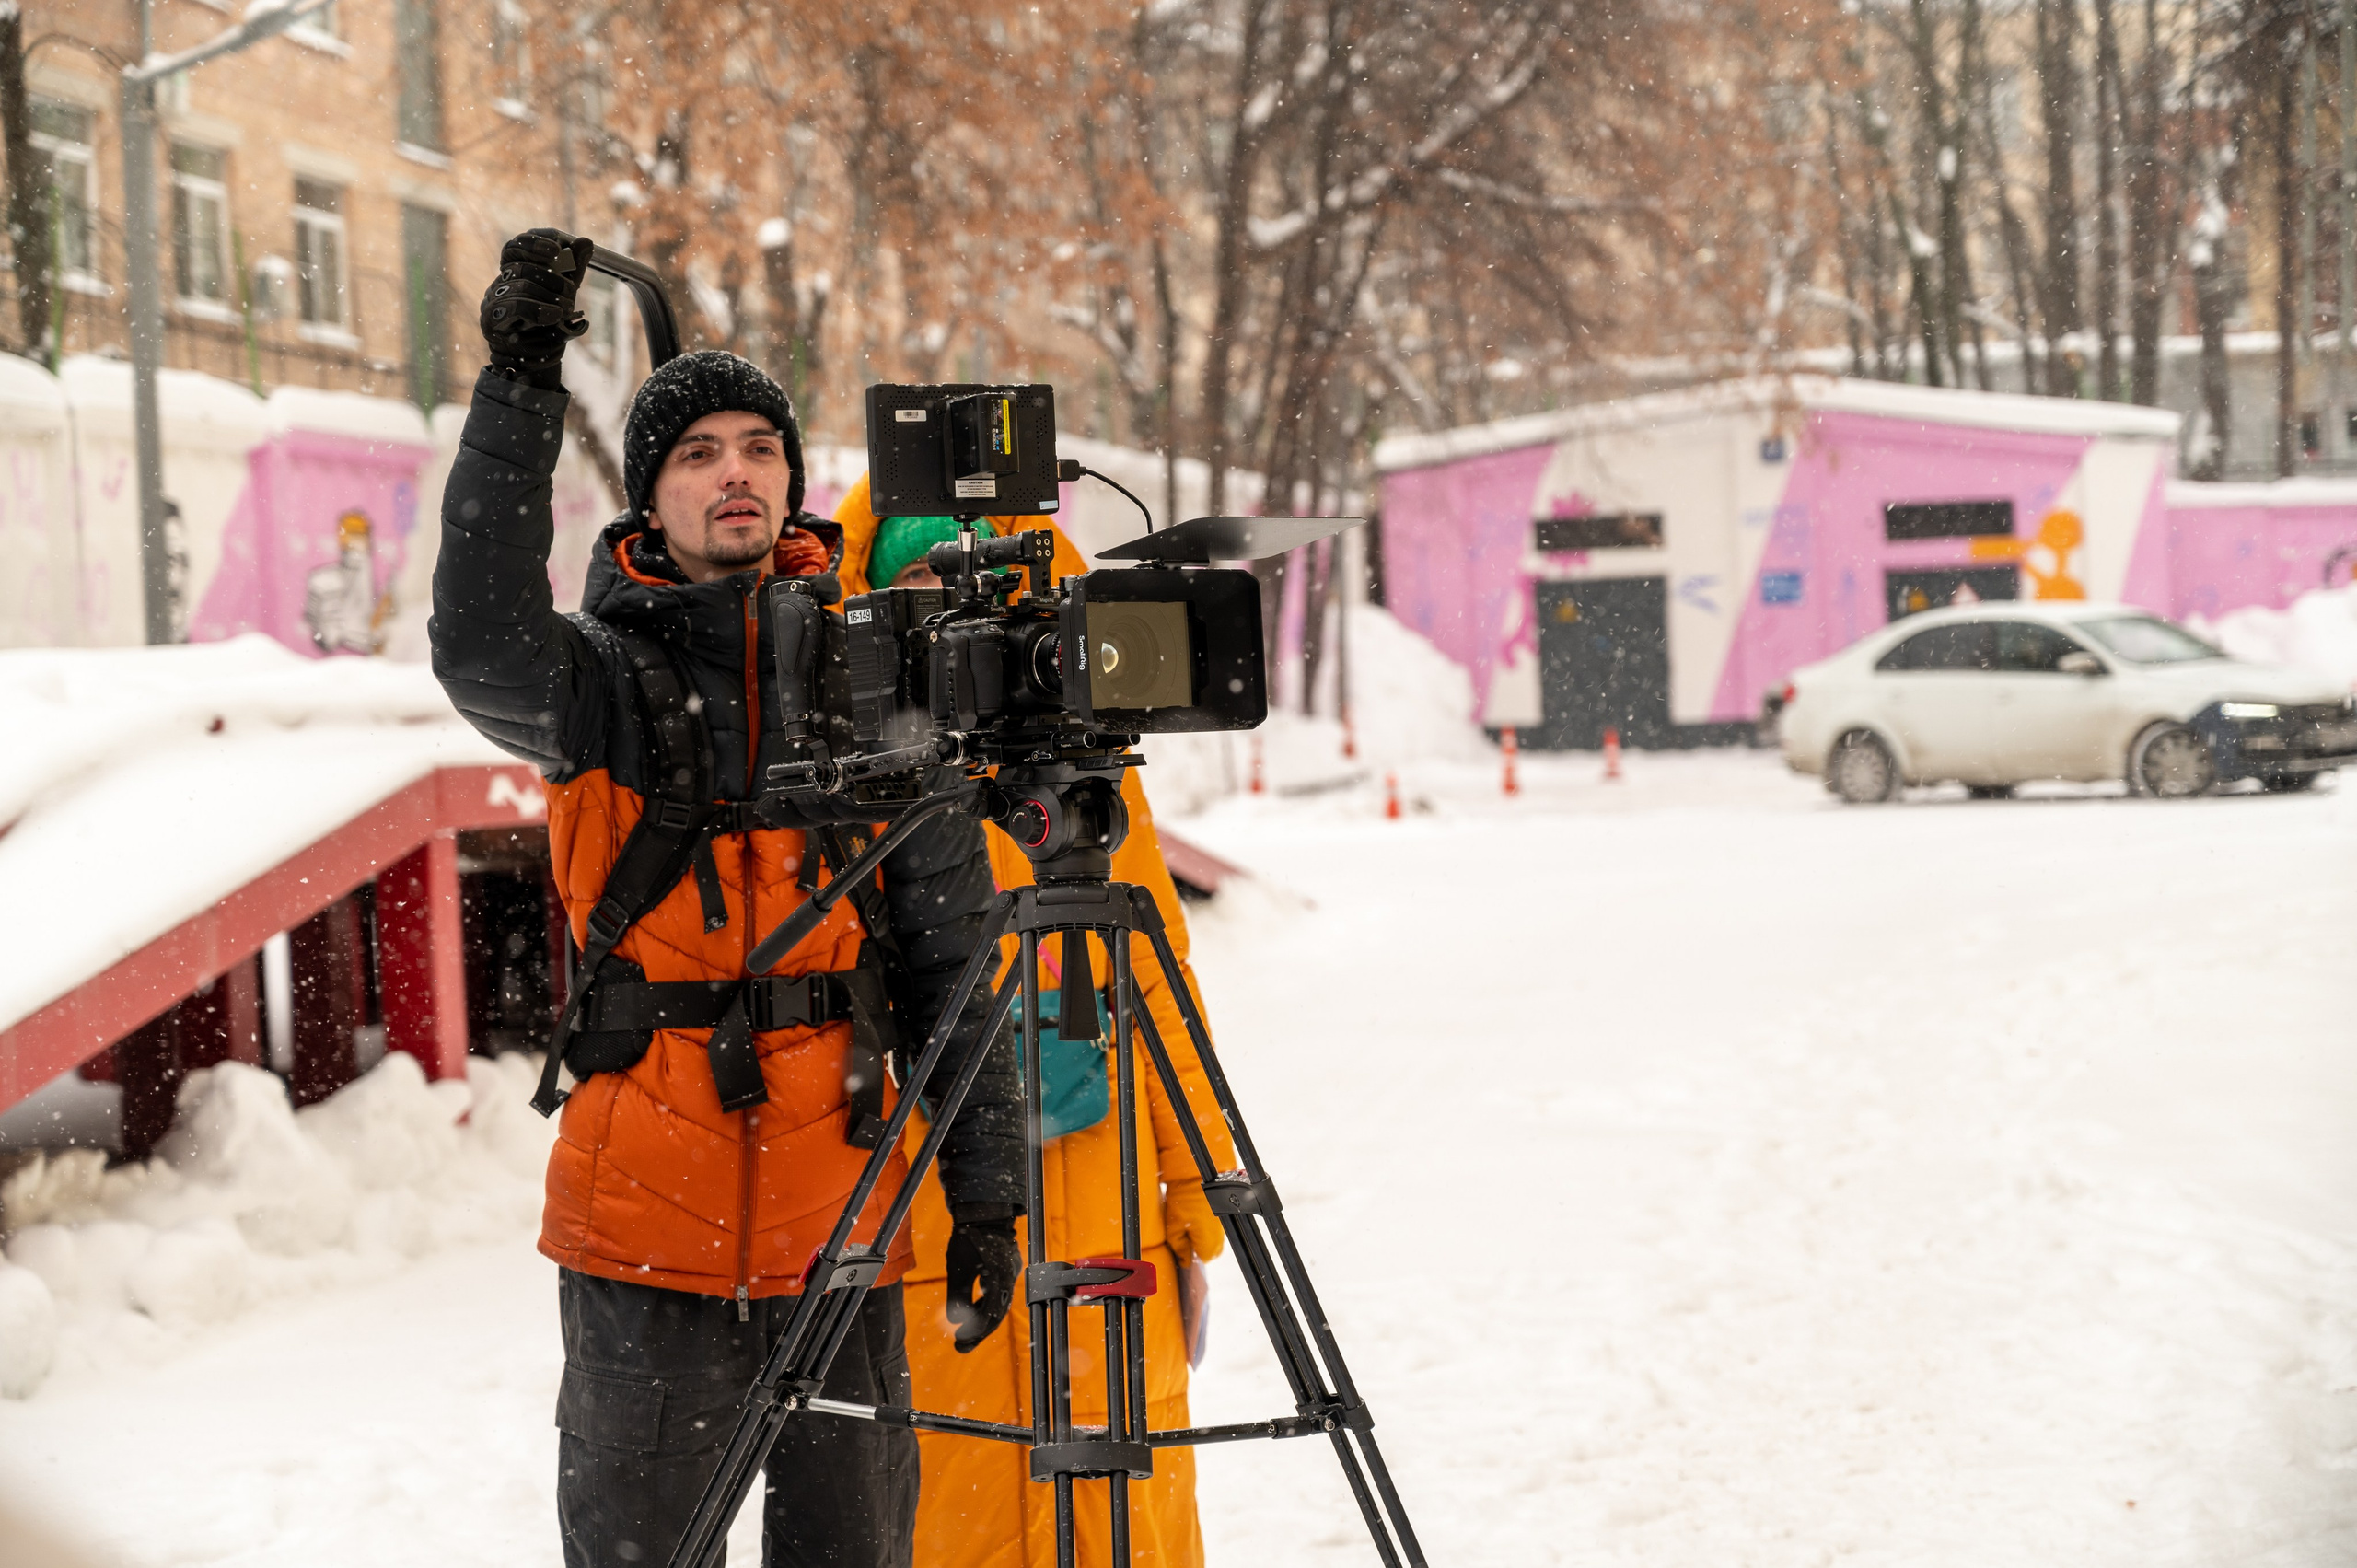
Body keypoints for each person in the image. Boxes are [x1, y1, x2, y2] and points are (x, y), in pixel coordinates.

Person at [431, 229, 1027, 1568]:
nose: (736, 471)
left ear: (793, 482)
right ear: (650, 499)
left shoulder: (877, 679)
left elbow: (951, 956)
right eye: (698, 453)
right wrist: (520, 382)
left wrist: (987, 1196)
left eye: (760, 446)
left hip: (844, 1228)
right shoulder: (590, 682)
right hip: (645, 1238)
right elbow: (474, 637)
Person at [832, 483, 1242, 1568]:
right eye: (924, 595)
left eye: (997, 603)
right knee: (947, 1515)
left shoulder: (1085, 774)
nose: (962, 631)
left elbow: (1155, 978)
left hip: (1105, 1200)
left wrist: (1196, 1204)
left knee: (1122, 1522)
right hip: (928, 1209)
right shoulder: (852, 781)